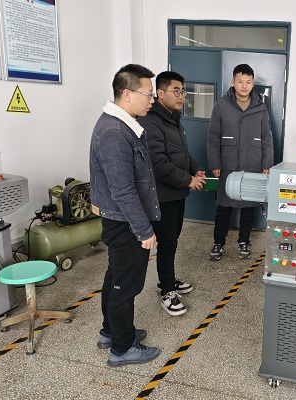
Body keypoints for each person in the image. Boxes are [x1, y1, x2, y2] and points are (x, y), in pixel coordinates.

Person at [89, 64, 161, 367]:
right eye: (148, 93)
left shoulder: (122, 124)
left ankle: (111, 332)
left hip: (121, 219)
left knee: (115, 278)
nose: (152, 100)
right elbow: (123, 190)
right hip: (125, 222)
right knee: (124, 287)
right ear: (127, 93)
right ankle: (122, 348)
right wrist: (144, 231)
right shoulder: (115, 132)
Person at [137, 71, 206, 316]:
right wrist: (188, 180)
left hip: (176, 194)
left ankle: (167, 278)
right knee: (167, 243)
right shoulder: (151, 121)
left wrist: (195, 169)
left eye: (182, 91)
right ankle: (167, 290)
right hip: (162, 196)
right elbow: (158, 163)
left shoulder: (173, 119)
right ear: (160, 93)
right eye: (175, 91)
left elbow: (182, 154)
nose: (181, 96)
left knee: (172, 240)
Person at [207, 63, 273, 261]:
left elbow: (267, 138)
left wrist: (267, 164)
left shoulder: (260, 107)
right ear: (233, 82)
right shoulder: (221, 105)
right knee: (223, 206)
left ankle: (244, 241)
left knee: (248, 207)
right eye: (240, 81)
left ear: (253, 84)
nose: (244, 86)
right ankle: (218, 242)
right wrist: (214, 164)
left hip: (253, 165)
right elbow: (213, 137)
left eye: (248, 82)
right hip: (228, 165)